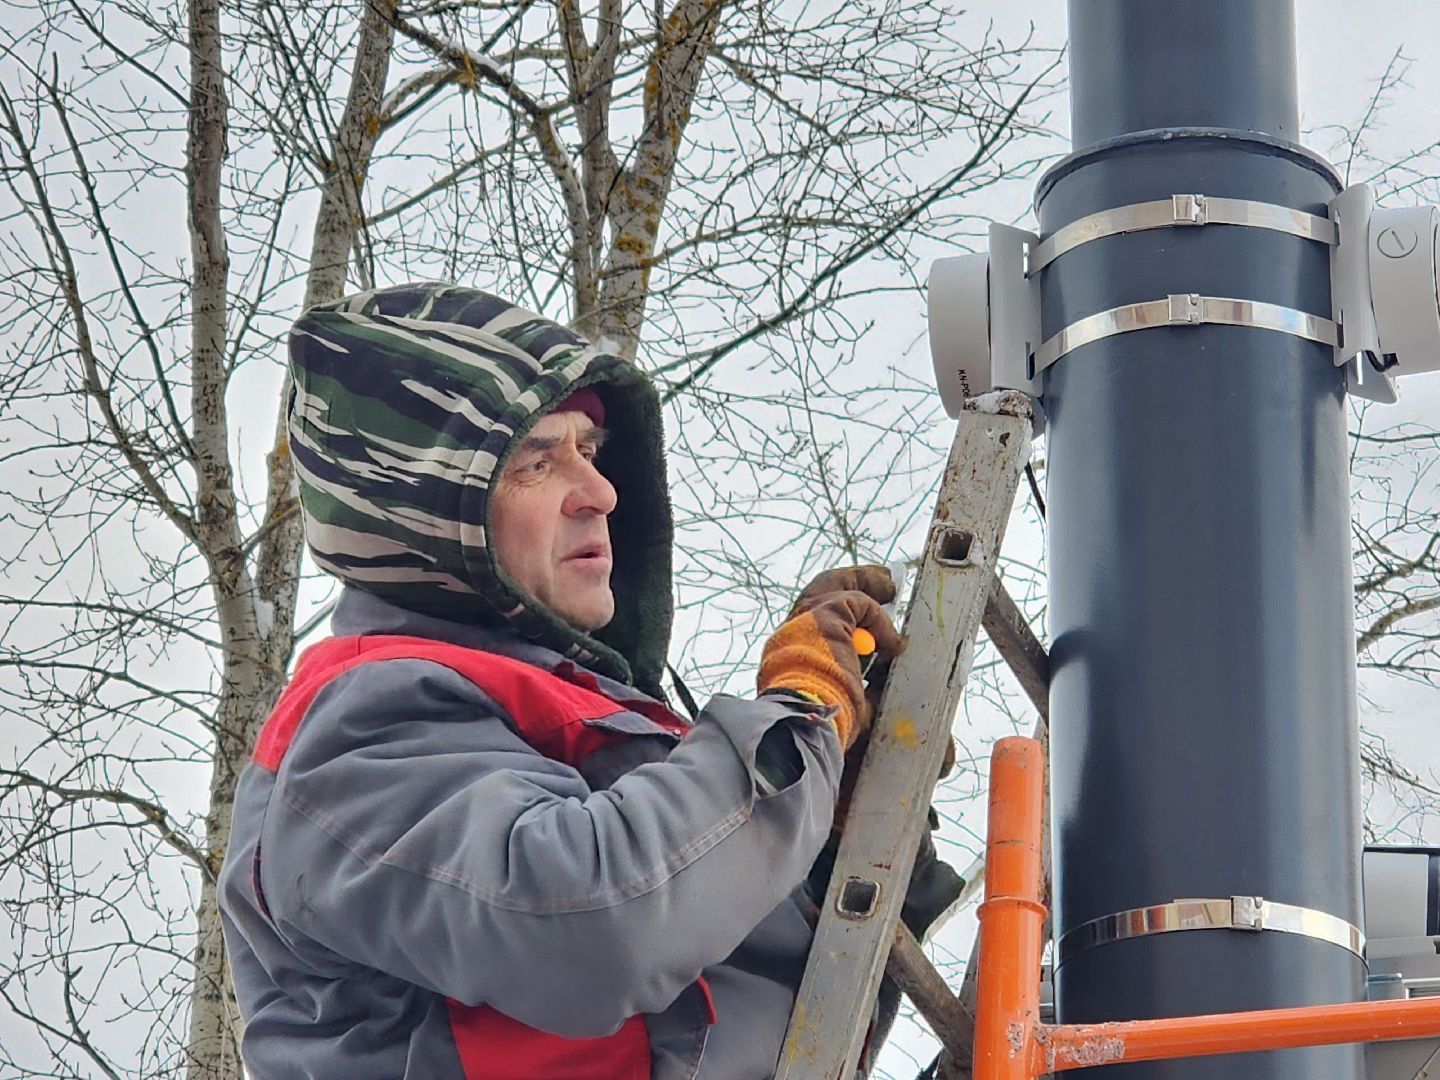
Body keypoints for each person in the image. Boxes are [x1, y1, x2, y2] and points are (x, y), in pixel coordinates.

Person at [218, 283, 957, 1079]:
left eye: (592, 452)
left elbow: (753, 1019)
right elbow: (596, 925)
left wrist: (831, 834)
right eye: (537, 461)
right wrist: (798, 725)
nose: (601, 494)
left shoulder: (579, 721)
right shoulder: (358, 731)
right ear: (423, 516)